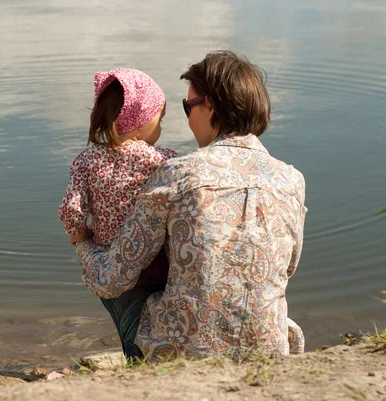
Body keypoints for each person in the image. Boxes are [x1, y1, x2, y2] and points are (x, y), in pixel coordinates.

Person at [75, 51, 307, 362]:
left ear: (209, 104)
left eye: (188, 106)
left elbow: (111, 279)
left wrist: (84, 244)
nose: (187, 118)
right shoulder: (291, 181)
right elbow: (287, 268)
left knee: (117, 271)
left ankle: (146, 368)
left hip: (185, 357)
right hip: (266, 351)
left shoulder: (177, 174)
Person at [59, 68, 177, 289]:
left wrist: (80, 235)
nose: (160, 127)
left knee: (123, 315)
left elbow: (71, 209)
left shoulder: (85, 160)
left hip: (106, 259)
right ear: (141, 120)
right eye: (159, 120)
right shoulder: (163, 160)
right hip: (152, 263)